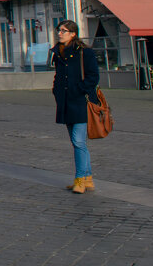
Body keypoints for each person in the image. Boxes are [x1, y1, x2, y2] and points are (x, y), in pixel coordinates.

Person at [50, 20, 99, 194]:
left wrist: (79, 90)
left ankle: (79, 179)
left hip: (81, 102)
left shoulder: (85, 53)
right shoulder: (58, 52)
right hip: (65, 102)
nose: (60, 33)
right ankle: (87, 178)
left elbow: (93, 77)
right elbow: (59, 75)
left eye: (63, 31)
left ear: (73, 34)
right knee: (76, 142)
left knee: (78, 141)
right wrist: (56, 91)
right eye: (59, 30)